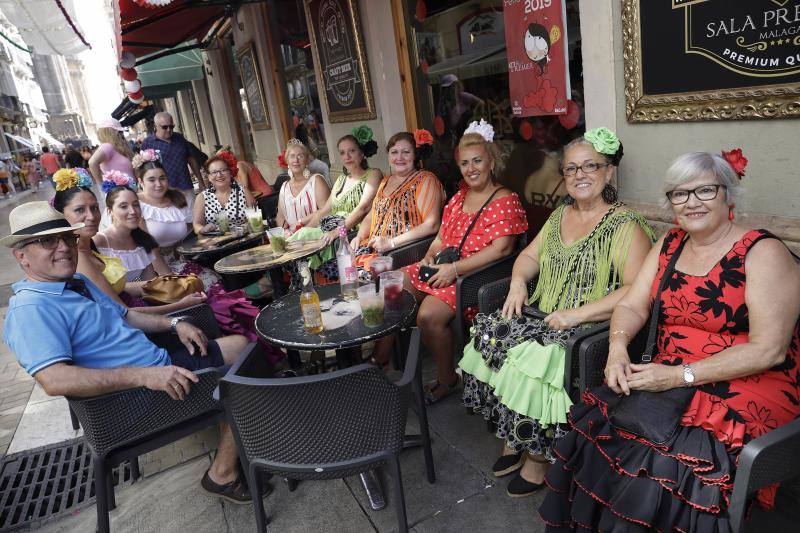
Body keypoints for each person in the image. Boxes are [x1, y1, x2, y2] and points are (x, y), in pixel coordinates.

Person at [539, 150, 800, 531]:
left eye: (705, 191)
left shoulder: (762, 252)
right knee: (596, 436)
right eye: (680, 193)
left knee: (663, 467)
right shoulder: (671, 244)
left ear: (728, 194)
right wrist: (616, 347)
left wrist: (679, 377)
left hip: (746, 386)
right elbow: (631, 305)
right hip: (669, 377)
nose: (692, 202)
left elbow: (769, 350)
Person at [1, 201, 268, 503]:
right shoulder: (31, 310)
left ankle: (248, 437)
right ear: (21, 255)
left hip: (160, 368)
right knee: (247, 385)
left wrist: (173, 324)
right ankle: (221, 473)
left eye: (67, 237)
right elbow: (54, 380)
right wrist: (146, 375)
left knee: (242, 346)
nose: (63, 247)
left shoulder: (75, 282)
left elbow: (126, 316)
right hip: (136, 400)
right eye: (48, 241)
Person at [459, 127, 654, 497]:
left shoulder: (625, 225)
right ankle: (513, 434)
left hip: (587, 325)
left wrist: (577, 315)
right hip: (546, 313)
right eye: (570, 169)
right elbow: (529, 256)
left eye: (590, 167)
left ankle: (538, 457)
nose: (579, 175)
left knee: (534, 358)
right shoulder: (560, 214)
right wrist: (518, 282)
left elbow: (635, 289)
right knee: (489, 334)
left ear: (608, 172)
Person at [385, 120, 528, 402]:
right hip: (444, 265)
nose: (471, 169)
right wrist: (430, 252)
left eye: (477, 161)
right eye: (465, 163)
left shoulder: (504, 199)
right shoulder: (460, 196)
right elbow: (441, 237)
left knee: (428, 316)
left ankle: (446, 377)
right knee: (391, 287)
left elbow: (501, 250)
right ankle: (384, 360)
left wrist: (454, 269)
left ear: (491, 161)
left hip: (472, 277)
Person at [51, 169, 205, 314]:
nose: (91, 216)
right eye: (79, 210)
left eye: (94, 208)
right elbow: (122, 312)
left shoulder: (90, 247)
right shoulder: (79, 255)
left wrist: (176, 286)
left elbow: (136, 286)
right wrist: (181, 304)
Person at [350, 130, 444, 268]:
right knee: (340, 270)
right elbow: (371, 216)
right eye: (394, 152)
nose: (399, 157)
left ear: (415, 155)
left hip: (402, 253)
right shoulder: (385, 181)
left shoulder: (425, 180)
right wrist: (358, 237)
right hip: (373, 250)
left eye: (406, 152)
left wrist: (391, 243)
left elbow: (432, 225)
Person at [305, 127, 382, 279]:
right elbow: (325, 210)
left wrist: (337, 232)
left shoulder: (373, 174)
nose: (347, 156)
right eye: (342, 153)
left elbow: (363, 209)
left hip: (353, 231)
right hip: (330, 228)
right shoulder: (341, 180)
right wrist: (303, 226)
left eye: (352, 151)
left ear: (361, 153)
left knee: (309, 241)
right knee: (302, 237)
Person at [141, 112, 205, 207]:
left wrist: (200, 180)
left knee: (193, 216)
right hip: (165, 191)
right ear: (155, 126)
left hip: (185, 186)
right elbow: (144, 169)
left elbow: (191, 159)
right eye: (164, 127)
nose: (169, 130)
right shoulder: (148, 143)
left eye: (171, 126)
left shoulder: (179, 138)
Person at [136, 154, 193, 249]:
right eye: (151, 180)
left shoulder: (177, 197)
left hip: (184, 255)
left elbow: (191, 228)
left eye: (162, 178)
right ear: (141, 182)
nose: (158, 184)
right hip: (153, 261)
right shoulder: (135, 204)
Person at [192, 152, 256, 234]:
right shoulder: (202, 197)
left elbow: (256, 218)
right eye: (214, 172)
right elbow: (196, 224)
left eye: (223, 170)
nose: (219, 175)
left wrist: (245, 228)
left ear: (230, 172)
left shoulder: (243, 191)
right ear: (209, 177)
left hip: (244, 238)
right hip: (217, 242)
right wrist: (203, 229)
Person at [275, 138, 330, 232]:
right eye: (292, 156)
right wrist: (285, 233)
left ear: (307, 161)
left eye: (300, 156)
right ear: (287, 161)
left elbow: (326, 212)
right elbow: (280, 218)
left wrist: (301, 229)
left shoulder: (316, 181)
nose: (296, 160)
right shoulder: (284, 187)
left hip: (317, 234)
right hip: (292, 239)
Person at [88, 117, 135, 188]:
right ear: (110, 132)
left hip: (129, 191)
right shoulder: (107, 146)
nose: (121, 134)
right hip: (120, 194)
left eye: (121, 132)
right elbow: (92, 163)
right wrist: (102, 185)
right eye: (118, 132)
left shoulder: (116, 147)